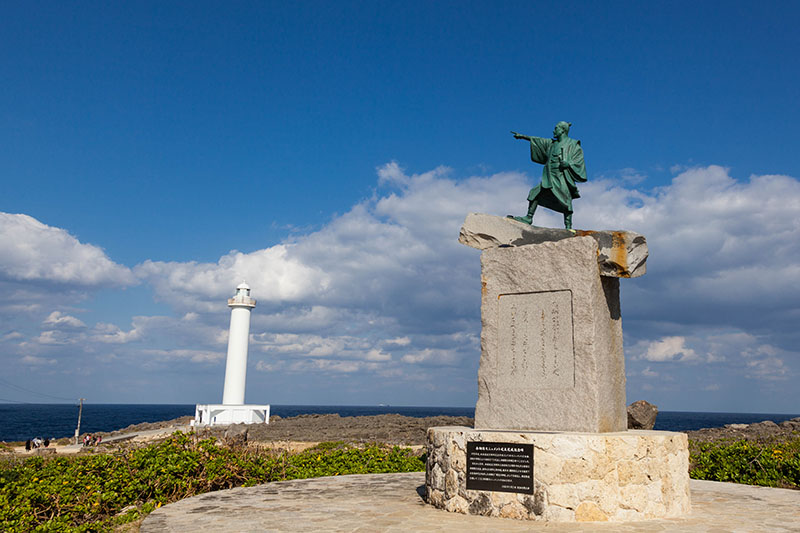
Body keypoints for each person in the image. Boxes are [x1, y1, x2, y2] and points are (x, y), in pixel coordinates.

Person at [508, 121, 587, 230]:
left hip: (561, 176)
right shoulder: (552, 144)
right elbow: (538, 140)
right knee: (535, 192)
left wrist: (569, 164)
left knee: (565, 200)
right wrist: (523, 137)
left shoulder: (573, 145)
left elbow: (579, 161)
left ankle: (569, 226)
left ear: (562, 130)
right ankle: (529, 217)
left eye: (556, 128)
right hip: (550, 176)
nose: (554, 131)